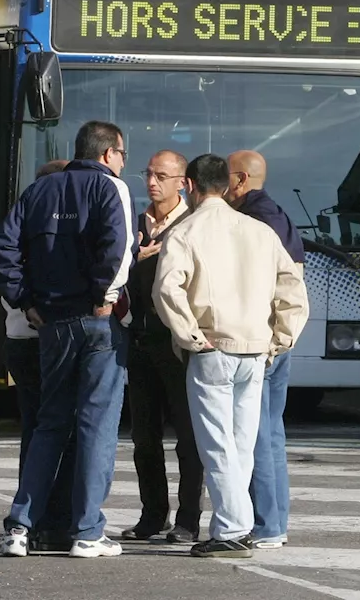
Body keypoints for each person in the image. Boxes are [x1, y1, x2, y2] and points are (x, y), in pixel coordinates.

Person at [152, 154, 308, 558]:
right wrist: (281, 339)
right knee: (241, 443)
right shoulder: (259, 232)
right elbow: (293, 289)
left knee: (216, 443)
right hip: (256, 349)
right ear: (226, 184)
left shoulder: (186, 231)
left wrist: (189, 335)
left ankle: (232, 528)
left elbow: (166, 289)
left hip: (212, 347)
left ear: (189, 184)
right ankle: (235, 524)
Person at [0, 122, 135, 559]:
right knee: (96, 425)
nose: (124, 162)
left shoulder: (39, 191)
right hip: (95, 322)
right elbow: (119, 247)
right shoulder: (112, 188)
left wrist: (25, 301)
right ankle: (88, 531)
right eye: (123, 153)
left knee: (49, 424)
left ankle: (20, 528)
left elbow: (4, 250)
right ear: (109, 152)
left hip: (50, 323)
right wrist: (103, 296)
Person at [121, 149, 204, 544]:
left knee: (188, 437)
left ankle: (188, 519)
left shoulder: (194, 225)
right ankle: (152, 515)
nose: (152, 182)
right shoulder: (135, 225)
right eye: (148, 174)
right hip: (139, 340)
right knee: (144, 437)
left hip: (179, 344)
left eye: (162, 176)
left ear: (182, 183)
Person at [226, 149, 305, 550]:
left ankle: (265, 523)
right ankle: (275, 523)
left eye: (225, 178)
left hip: (261, 340)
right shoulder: (279, 214)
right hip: (280, 338)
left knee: (254, 433)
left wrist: (272, 342)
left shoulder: (252, 220)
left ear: (240, 181)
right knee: (271, 433)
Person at [2, 159, 74, 553]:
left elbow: (5, 272)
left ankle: (30, 520)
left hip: (19, 341)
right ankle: (48, 520)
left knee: (36, 430)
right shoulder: (54, 231)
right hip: (47, 338)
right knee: (59, 431)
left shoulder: (21, 221)